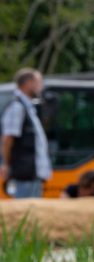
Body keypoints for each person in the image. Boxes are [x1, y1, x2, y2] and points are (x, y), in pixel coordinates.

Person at [1, 68, 52, 199]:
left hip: (32, 172)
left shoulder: (28, 107)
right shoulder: (17, 107)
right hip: (23, 174)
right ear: (28, 83)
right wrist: (6, 164)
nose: (41, 87)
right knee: (26, 213)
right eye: (39, 82)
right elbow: (8, 139)